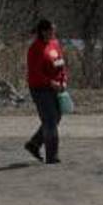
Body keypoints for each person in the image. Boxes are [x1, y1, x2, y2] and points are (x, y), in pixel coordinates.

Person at [24, 19, 68, 164]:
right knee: (50, 120)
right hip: (40, 88)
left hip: (56, 86)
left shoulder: (54, 44)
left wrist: (63, 80)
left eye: (54, 31)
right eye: (50, 31)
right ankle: (52, 155)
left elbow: (61, 63)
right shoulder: (35, 48)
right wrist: (50, 82)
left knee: (56, 117)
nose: (52, 34)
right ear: (42, 31)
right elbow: (35, 72)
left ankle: (34, 144)